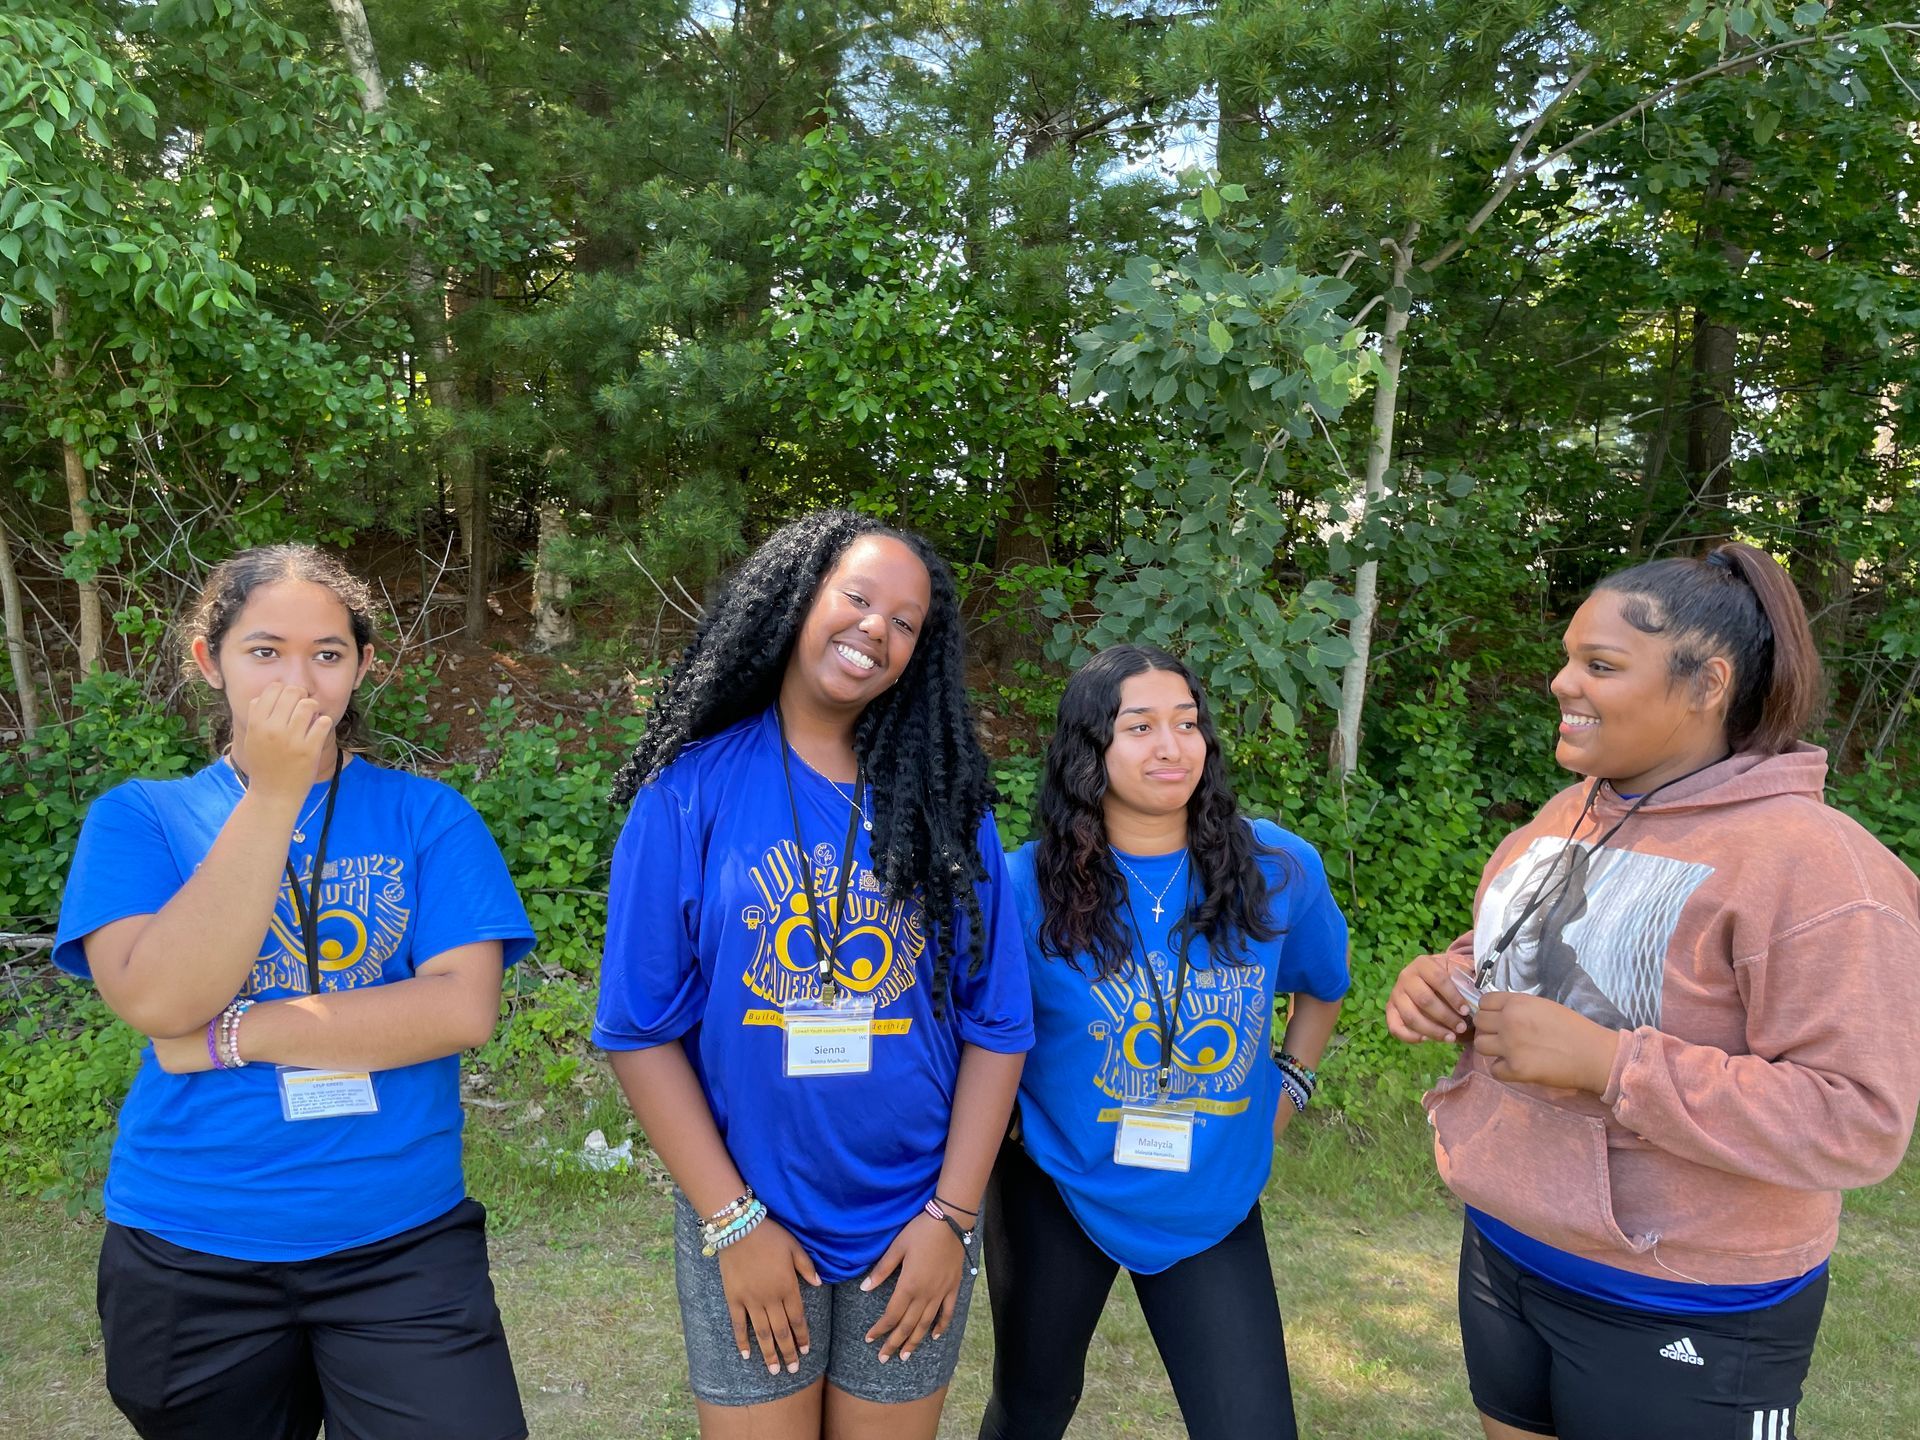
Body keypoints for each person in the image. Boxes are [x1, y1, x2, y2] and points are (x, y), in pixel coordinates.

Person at [1387, 542, 1920, 1440]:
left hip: (1689, 1298)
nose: (1562, 683)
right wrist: (1444, 980)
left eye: (1599, 666)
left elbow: (1859, 1120)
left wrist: (1610, 1065)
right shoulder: (1577, 809)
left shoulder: (1819, 869)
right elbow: (1508, 946)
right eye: (1567, 658)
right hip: (1511, 1247)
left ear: (1707, 683)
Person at [52, 544, 535, 1440]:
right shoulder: (141, 816)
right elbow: (160, 1004)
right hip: (190, 1244)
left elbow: (458, 1009)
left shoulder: (430, 817)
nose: (300, 679)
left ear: (362, 668)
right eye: (265, 651)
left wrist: (234, 1036)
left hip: (399, 1240)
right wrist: (274, 791)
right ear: (210, 661)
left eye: (328, 653)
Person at [593, 509, 1032, 1440]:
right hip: (749, 1221)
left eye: (906, 622)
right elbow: (637, 1030)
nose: (878, 628)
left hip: (912, 1227)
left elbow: (997, 1025)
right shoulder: (690, 792)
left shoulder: (950, 810)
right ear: (799, 599)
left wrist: (952, 1220)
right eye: (859, 598)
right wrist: (731, 1224)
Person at [979, 643, 1350, 1440]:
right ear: (1090, 750)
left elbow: (1323, 986)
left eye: (1187, 724)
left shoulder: (1279, 867)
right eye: (1139, 726)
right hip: (1059, 1184)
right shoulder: (1020, 887)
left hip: (1208, 1191)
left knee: (1252, 1425)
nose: (1171, 746)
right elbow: (982, 1032)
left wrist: (1290, 1084)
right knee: (1031, 1408)